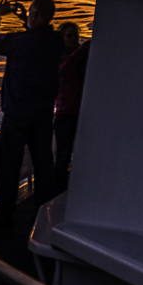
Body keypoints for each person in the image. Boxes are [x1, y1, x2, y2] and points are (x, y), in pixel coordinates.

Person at [0, 0, 63, 230]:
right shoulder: (55, 41)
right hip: (43, 114)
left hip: (17, 114)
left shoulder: (20, 42)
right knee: (43, 165)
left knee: (10, 165)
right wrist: (25, 19)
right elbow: (37, 37)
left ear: (35, 15)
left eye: (31, 13)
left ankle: (5, 214)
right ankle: (44, 212)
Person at [54, 33, 91, 195]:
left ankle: (81, 189)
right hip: (65, 112)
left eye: (75, 35)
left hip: (85, 112)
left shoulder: (85, 58)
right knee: (63, 155)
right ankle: (59, 191)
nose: (73, 39)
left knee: (85, 153)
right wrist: (79, 53)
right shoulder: (58, 59)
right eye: (68, 36)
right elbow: (63, 73)